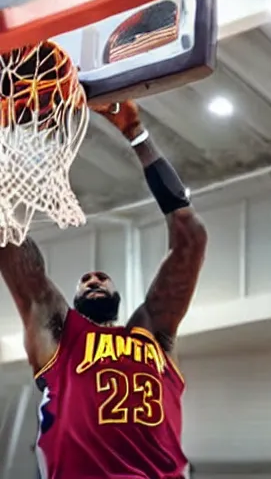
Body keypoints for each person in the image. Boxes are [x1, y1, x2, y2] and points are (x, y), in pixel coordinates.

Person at [0, 101, 207, 479]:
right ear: (74, 302)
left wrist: (137, 134)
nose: (94, 280)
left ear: (118, 295)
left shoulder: (154, 337)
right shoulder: (61, 335)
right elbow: (11, 244)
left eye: (100, 278)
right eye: (86, 280)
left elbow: (190, 237)